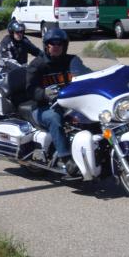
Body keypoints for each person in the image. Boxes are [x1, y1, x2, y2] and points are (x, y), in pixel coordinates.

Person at [25, 28, 91, 177]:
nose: (56, 46)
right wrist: (44, 94)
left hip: (70, 103)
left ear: (64, 45)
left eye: (59, 43)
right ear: (46, 45)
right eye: (52, 43)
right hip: (42, 107)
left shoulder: (72, 61)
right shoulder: (37, 65)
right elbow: (30, 90)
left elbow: (88, 74)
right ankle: (66, 157)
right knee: (54, 118)